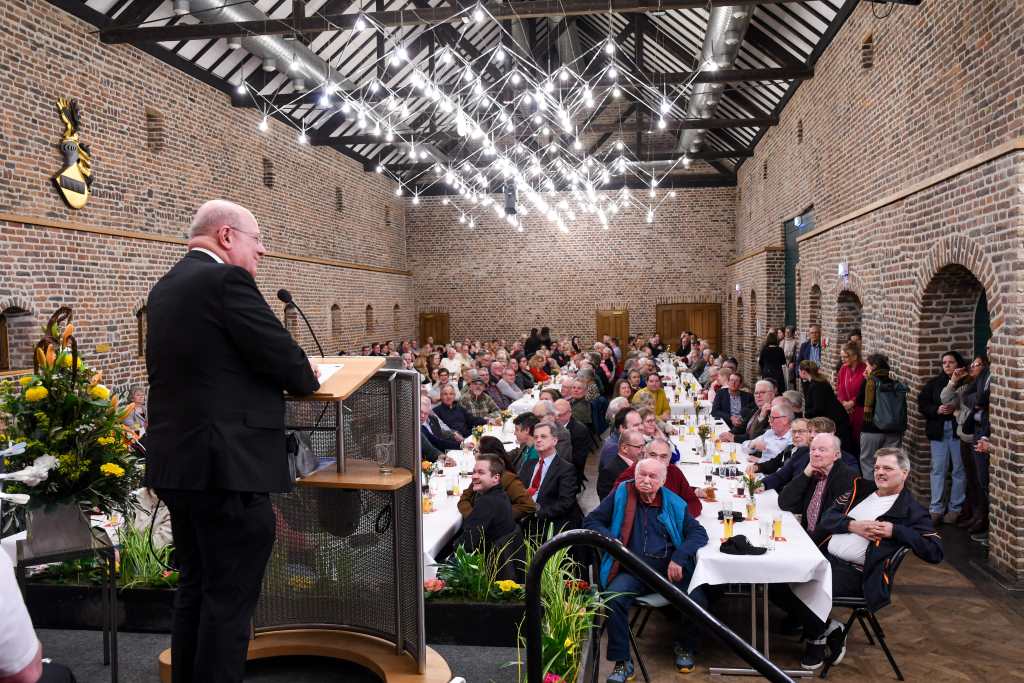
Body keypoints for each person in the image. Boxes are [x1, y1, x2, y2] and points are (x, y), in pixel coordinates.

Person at [145, 200, 320, 683]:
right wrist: (306, 373)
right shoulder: (225, 281)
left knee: (195, 593)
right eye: (256, 239)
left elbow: (209, 369)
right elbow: (288, 362)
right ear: (226, 237)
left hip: (180, 468)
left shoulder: (166, 288)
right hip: (227, 471)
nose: (261, 250)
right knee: (228, 605)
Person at [788, 448, 943, 670]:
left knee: (799, 584)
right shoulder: (861, 489)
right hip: (825, 559)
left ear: (904, 473)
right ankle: (829, 628)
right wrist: (852, 525)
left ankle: (816, 640)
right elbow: (828, 518)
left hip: (859, 575)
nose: (880, 472)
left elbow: (935, 551)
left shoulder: (911, 510)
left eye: (888, 468)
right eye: (877, 467)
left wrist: (896, 531)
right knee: (774, 582)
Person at [585, 457, 711, 679]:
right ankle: (622, 662)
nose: (645, 480)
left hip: (667, 571)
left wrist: (680, 557)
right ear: (635, 476)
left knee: (698, 599)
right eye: (642, 474)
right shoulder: (622, 494)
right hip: (633, 570)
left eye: (652, 476)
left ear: (662, 481)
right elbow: (592, 521)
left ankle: (685, 646)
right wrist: (613, 541)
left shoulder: (673, 502)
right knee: (614, 597)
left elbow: (699, 533)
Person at [778, 434, 858, 544]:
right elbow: (785, 503)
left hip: (824, 544)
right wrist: (805, 474)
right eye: (813, 449)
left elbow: (831, 522)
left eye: (822, 450)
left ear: (836, 455)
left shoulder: (847, 478)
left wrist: (805, 542)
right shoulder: (813, 472)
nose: (816, 453)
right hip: (806, 535)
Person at [918, 350, 968, 525]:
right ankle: (936, 508)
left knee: (958, 470)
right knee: (938, 469)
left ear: (958, 364)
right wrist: (936, 410)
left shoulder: (966, 383)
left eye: (951, 362)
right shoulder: (934, 383)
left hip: (957, 430)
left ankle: (955, 508)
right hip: (939, 430)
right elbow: (922, 403)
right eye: (944, 362)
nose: (947, 365)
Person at [941, 356, 984, 528]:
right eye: (971, 365)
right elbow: (945, 398)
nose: (972, 368)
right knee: (971, 478)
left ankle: (980, 516)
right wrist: (953, 381)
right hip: (963, 437)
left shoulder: (981, 384)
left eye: (976, 365)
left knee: (978, 480)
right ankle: (974, 514)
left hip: (976, 437)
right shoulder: (964, 384)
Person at [614, 437, 703, 517]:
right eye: (653, 455)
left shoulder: (674, 471)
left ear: (669, 460)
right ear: (645, 455)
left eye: (663, 457)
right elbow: (616, 507)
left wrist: (676, 518)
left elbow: (694, 503)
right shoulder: (630, 475)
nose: (657, 460)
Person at [518, 422, 581, 535]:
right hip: (523, 517)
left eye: (543, 436)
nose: (538, 440)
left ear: (554, 441)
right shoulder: (528, 465)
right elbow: (518, 490)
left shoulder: (566, 469)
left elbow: (565, 503)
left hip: (548, 522)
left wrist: (536, 513)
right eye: (536, 437)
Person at [459, 438, 537, 521]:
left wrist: (495, 516)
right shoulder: (479, 476)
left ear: (487, 456)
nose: (474, 455)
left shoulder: (509, 479)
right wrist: (474, 517)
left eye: (476, 451)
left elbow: (529, 506)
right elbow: (464, 498)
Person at [456, 454, 521, 553]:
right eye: (474, 472)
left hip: (484, 562)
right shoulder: (501, 494)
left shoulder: (487, 502)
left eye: (481, 473)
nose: (474, 476)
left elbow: (467, 545)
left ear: (495, 478)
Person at [962, 354, 991, 536]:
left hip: (989, 431)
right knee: (979, 479)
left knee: (987, 481)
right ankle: (981, 517)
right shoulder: (983, 375)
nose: (973, 367)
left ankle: (987, 523)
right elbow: (967, 396)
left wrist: (981, 400)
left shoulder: (994, 375)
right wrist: (979, 401)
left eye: (977, 364)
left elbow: (983, 398)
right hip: (977, 430)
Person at [800, 361, 854, 453]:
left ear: (804, 372)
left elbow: (818, 408)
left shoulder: (817, 385)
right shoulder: (818, 382)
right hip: (835, 418)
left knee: (840, 448)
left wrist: (807, 414)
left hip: (836, 421)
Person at [553, 398, 595, 491]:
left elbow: (578, 460)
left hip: (568, 472)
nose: (557, 418)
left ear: (570, 413)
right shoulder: (551, 425)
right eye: (555, 414)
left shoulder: (579, 430)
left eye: (561, 415)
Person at [597, 428, 645, 500]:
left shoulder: (640, 463)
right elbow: (607, 501)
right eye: (639, 447)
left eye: (644, 446)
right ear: (624, 448)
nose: (644, 450)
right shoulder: (609, 471)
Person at [835, 343, 867, 450]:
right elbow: (839, 388)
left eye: (845, 357)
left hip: (859, 409)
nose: (842, 359)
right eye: (841, 357)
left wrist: (852, 402)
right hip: (845, 410)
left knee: (858, 441)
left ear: (854, 356)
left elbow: (864, 390)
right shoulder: (843, 369)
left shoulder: (864, 369)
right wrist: (843, 403)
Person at [743, 400, 794, 465]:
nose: (769, 421)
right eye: (769, 417)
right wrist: (753, 445)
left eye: (772, 418)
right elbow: (743, 447)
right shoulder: (770, 433)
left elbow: (783, 464)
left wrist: (760, 460)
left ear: (785, 420)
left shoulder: (793, 438)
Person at [711, 372, 756, 439]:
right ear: (728, 382)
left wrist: (741, 419)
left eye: (736, 381)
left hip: (742, 427)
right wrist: (731, 418)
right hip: (726, 424)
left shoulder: (748, 396)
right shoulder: (721, 393)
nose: (733, 383)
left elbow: (752, 412)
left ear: (740, 384)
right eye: (731, 380)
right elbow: (714, 411)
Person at [420, 395, 461, 461]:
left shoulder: (433, 419)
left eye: (426, 413)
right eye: (420, 412)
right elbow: (430, 448)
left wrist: (460, 443)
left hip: (440, 453)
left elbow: (438, 438)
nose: (422, 416)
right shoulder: (419, 428)